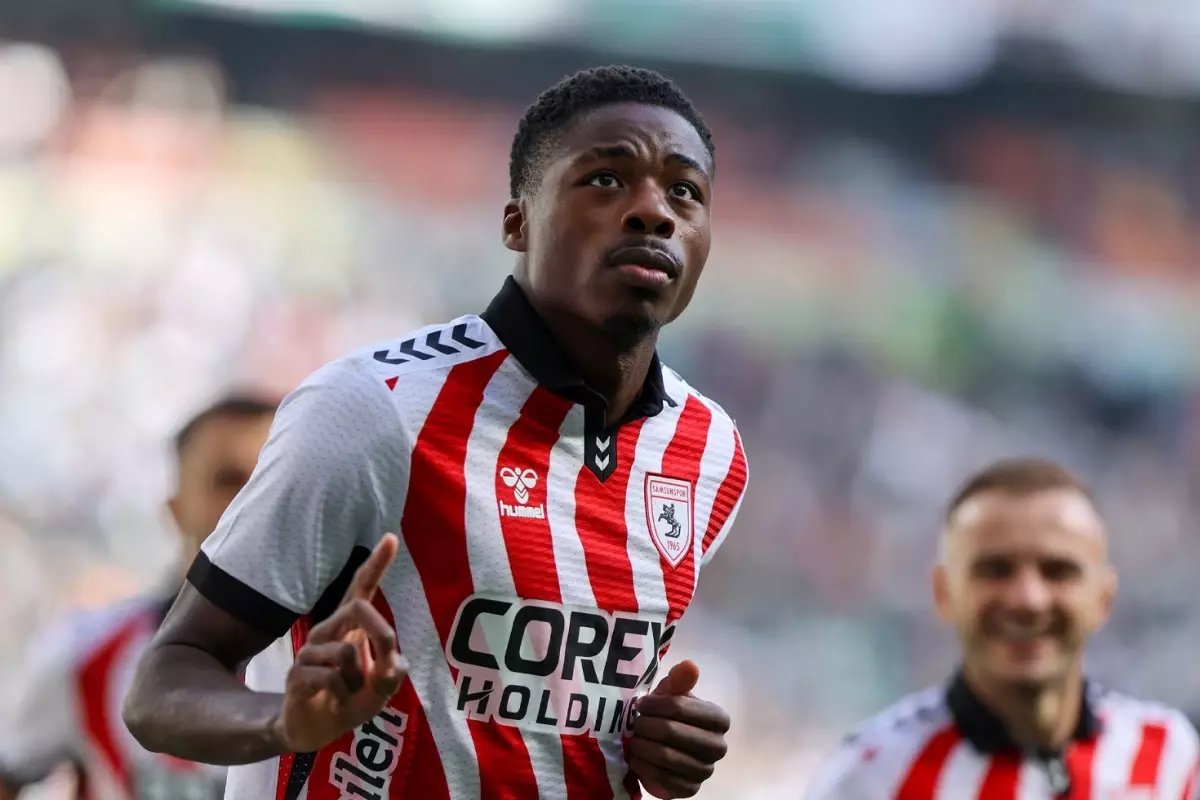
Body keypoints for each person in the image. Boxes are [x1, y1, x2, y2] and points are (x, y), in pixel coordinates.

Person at [122, 65, 750, 799]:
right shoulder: (373, 408)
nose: (652, 211)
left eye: (685, 191)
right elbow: (163, 684)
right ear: (517, 221)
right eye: (606, 180)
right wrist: (283, 721)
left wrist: (655, 741)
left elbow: (562, 712)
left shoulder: (711, 453)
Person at [805, 458, 1199, 799]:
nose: (1028, 599)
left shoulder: (1168, 758)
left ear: (1103, 597)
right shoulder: (871, 779)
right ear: (944, 592)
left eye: (1057, 571)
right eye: (995, 570)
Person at [0, 394, 277, 800]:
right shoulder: (86, 653)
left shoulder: (349, 659)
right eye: (228, 480)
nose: (254, 500)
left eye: (271, 478)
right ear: (176, 509)